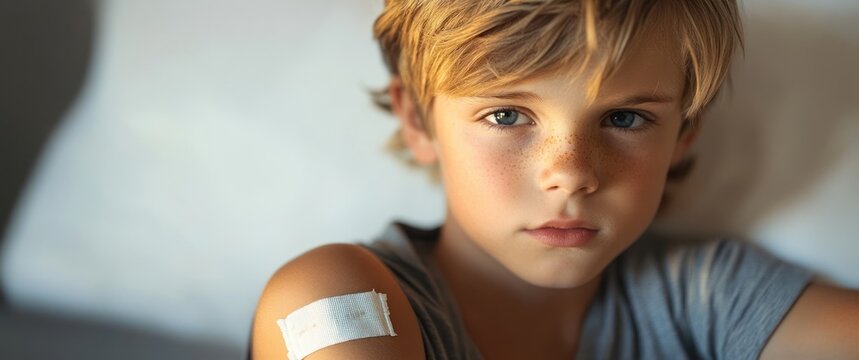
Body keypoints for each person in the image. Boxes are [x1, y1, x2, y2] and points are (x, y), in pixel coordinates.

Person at [251, 0, 859, 359]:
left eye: (625, 118)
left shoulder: (708, 296)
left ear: (684, 132)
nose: (570, 174)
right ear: (417, 119)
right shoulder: (331, 296)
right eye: (506, 115)